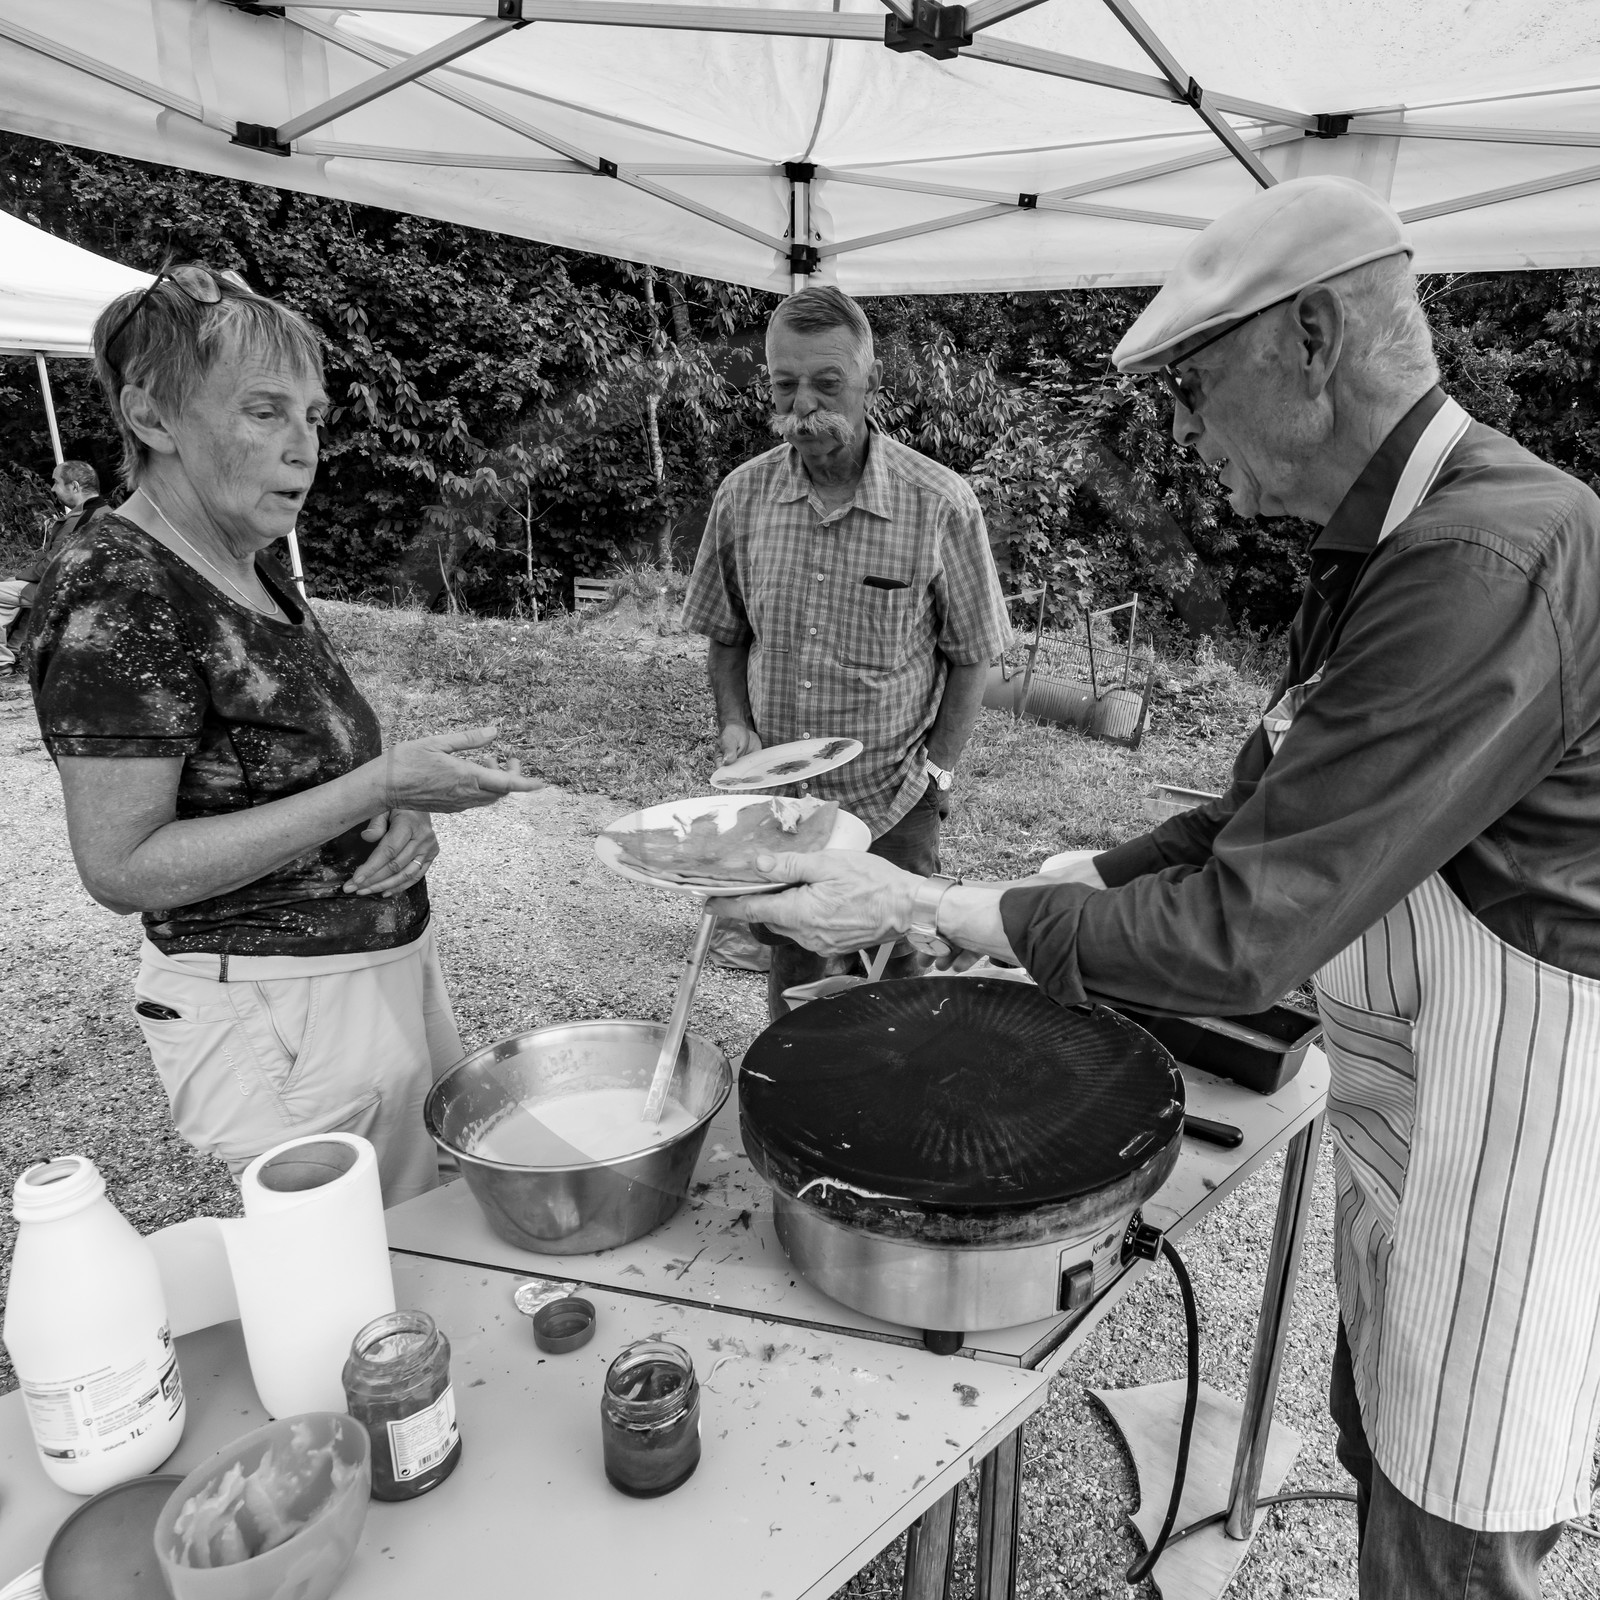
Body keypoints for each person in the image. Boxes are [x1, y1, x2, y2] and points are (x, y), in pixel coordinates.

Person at [720, 176, 1600, 1599]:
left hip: (1521, 1159)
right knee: (1389, 1449)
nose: (1192, 443)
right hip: (1425, 1119)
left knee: (1451, 1540)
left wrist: (938, 908)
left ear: (1311, 339)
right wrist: (1058, 880)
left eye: (1200, 391)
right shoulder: (1397, 544)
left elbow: (1245, 928)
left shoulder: (1484, 557)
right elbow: (1256, 810)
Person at [28, 263, 542, 1206]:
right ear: (151, 419)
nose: (304, 447)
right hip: (271, 1008)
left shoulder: (244, 562)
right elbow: (123, 864)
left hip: (359, 974)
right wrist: (377, 789)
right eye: (265, 411)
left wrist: (400, 813)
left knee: (443, 1230)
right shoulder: (121, 585)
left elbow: (297, 774)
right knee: (371, 1291)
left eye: (312, 416)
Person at [680, 284, 1012, 1018]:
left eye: (827, 383)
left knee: (896, 991)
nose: (804, 405)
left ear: (869, 383)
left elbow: (974, 653)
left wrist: (941, 772)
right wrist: (734, 723)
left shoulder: (939, 502)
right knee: (795, 987)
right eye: (784, 384)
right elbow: (726, 633)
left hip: (893, 803)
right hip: (786, 811)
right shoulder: (743, 497)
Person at [0, 460, 107, 671]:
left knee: (6, 591)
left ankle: (3, 661)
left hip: (69, 588)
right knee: (16, 592)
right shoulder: (105, 511)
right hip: (88, 584)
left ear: (74, 486)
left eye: (56, 482)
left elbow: (53, 563)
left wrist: (19, 576)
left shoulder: (81, 518)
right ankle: (11, 653)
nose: (52, 488)